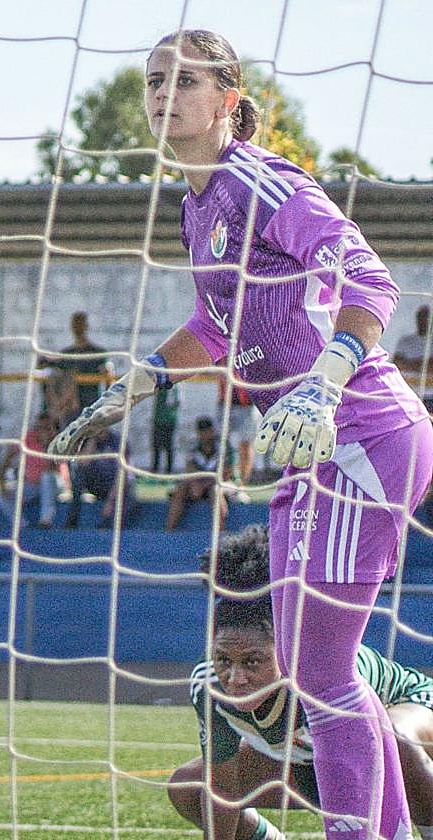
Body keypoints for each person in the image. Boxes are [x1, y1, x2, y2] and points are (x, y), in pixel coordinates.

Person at [51, 30, 433, 840]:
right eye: (155, 80)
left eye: (186, 80)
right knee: (316, 667)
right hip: (304, 451)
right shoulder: (199, 205)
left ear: (228, 99)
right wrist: (141, 381)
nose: (165, 93)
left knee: (325, 673)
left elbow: (369, 278)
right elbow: (215, 324)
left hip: (359, 435)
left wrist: (326, 381)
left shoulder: (257, 178)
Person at [169, 526, 433, 840]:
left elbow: (370, 759)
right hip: (309, 765)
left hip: (391, 737)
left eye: (253, 661)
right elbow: (222, 787)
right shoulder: (208, 686)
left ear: (285, 648)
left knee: (397, 735)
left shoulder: (329, 673)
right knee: (188, 786)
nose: (235, 678)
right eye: (223, 660)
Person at [0, 412, 68, 529]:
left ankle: (46, 520)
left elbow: (53, 468)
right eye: (39, 428)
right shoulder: (29, 439)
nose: (42, 431)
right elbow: (6, 460)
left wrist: (46, 444)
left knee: (46, 477)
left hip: (56, 484)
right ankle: (22, 525)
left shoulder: (58, 441)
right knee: (1, 497)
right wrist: (2, 484)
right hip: (33, 485)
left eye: (46, 428)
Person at [165, 416, 234, 532]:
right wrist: (195, 483)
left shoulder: (224, 447)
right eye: (201, 431)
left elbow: (227, 473)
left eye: (207, 431)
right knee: (181, 489)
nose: (205, 434)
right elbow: (190, 470)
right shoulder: (194, 448)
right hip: (199, 485)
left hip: (224, 484)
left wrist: (205, 485)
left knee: (215, 491)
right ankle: (169, 531)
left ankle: (220, 533)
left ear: (212, 431)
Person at [65, 428, 132, 529]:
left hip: (113, 484)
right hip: (96, 482)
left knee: (126, 495)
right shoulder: (89, 441)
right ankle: (72, 520)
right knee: (79, 476)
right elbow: (83, 463)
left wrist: (110, 500)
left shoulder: (118, 442)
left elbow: (121, 476)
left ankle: (108, 526)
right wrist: (92, 441)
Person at [48, 312, 113, 410]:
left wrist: (106, 404)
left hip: (92, 404)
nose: (78, 327)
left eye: (80, 324)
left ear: (86, 326)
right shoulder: (66, 354)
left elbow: (108, 376)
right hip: (69, 408)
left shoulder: (97, 353)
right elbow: (55, 379)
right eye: (75, 324)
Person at [394, 305, 433, 414]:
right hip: (408, 394)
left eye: (427, 317)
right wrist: (424, 363)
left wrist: (408, 364)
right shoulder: (405, 341)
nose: (424, 320)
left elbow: (430, 367)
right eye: (421, 317)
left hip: (430, 396)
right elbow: (398, 364)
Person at [151, 385, 180, 475]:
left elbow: (176, 402)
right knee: (158, 447)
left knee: (168, 447)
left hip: (167, 420)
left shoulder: (173, 386)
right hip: (161, 419)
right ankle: (157, 472)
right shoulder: (173, 386)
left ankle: (167, 472)